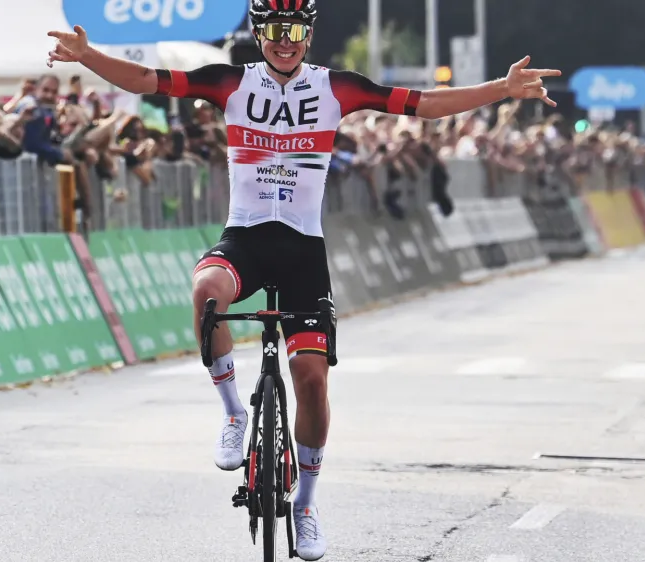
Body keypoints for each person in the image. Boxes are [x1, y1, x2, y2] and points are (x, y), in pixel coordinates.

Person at [47, 1, 559, 559]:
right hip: (244, 238)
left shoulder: (338, 88)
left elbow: (426, 104)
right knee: (205, 293)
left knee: (311, 379)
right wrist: (89, 56)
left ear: (309, 33)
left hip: (301, 252)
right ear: (258, 33)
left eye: (294, 30)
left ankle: (307, 503)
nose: (284, 41)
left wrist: (502, 89)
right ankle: (234, 414)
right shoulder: (229, 82)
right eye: (273, 30)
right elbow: (148, 80)